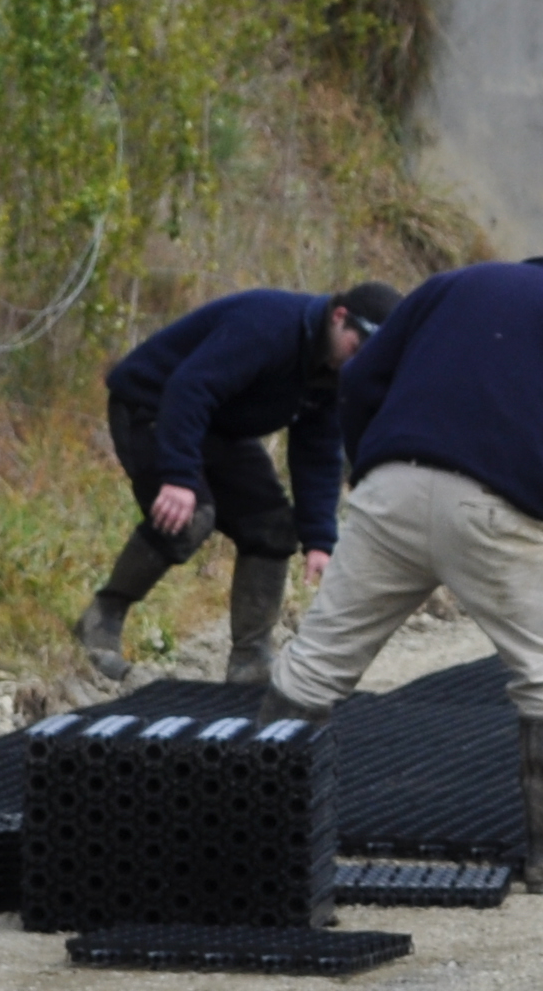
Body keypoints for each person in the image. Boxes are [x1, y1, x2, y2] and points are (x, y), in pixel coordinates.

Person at [259, 219, 543, 894]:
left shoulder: (456, 284)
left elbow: (362, 378)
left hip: (389, 492)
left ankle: (259, 842)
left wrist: (371, 466)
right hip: (499, 511)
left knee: (312, 669)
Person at [75, 280, 400, 687]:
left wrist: (319, 539)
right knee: (189, 519)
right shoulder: (270, 327)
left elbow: (317, 452)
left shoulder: (332, 371)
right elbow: (190, 388)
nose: (356, 364)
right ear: (339, 318)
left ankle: (251, 659)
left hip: (218, 427)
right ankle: (100, 622)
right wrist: (178, 476)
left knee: (273, 528)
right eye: (357, 350)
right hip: (153, 405)